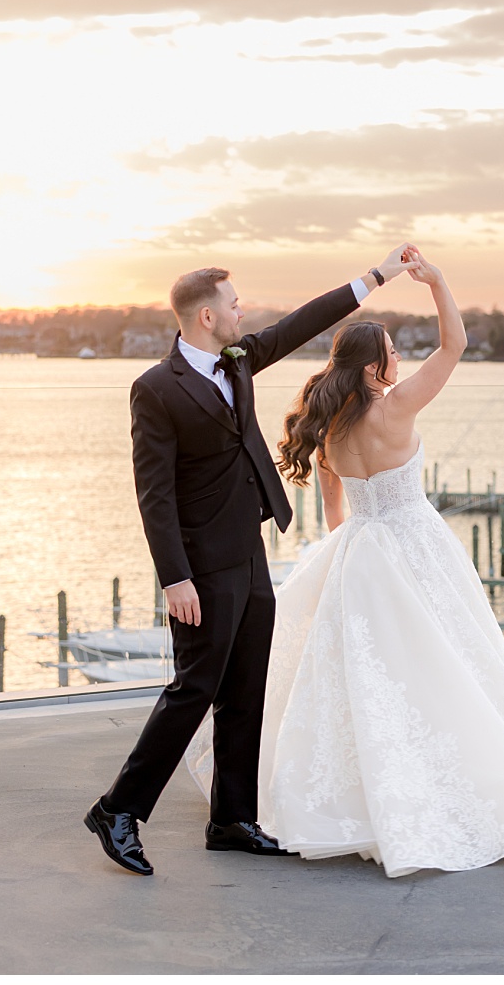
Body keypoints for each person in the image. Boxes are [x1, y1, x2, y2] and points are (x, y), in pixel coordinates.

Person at [185, 248, 504, 877]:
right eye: (392, 350)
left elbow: (336, 510)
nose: (400, 358)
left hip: (359, 549)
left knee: (358, 678)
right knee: (439, 663)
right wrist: (437, 282)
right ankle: (447, 784)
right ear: (374, 367)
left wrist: (349, 556)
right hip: (415, 542)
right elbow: (455, 346)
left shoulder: (329, 428)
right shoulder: (396, 407)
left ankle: (343, 794)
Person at [86, 244, 421, 876]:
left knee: (246, 688)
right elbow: (153, 493)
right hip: (201, 564)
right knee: (194, 689)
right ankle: (120, 809)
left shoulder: (238, 361)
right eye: (234, 305)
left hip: (247, 547)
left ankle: (232, 818)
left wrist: (376, 276)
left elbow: (301, 324)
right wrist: (175, 576)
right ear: (206, 316)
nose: (243, 313)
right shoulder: (155, 389)